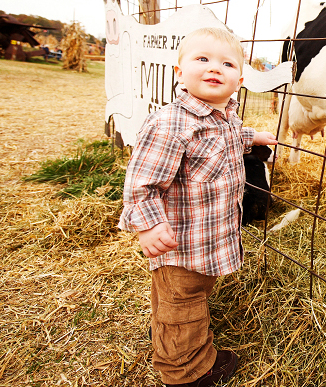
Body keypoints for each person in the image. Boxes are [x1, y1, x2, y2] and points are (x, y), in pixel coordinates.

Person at [119, 27, 278, 387]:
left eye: (226, 63)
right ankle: (187, 372)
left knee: (183, 301)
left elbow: (229, 136)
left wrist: (253, 137)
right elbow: (141, 182)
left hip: (210, 239)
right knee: (183, 307)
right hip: (181, 244)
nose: (214, 68)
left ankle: (175, 344)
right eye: (202, 59)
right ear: (180, 72)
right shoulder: (170, 123)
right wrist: (149, 226)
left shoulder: (224, 116)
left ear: (239, 80)